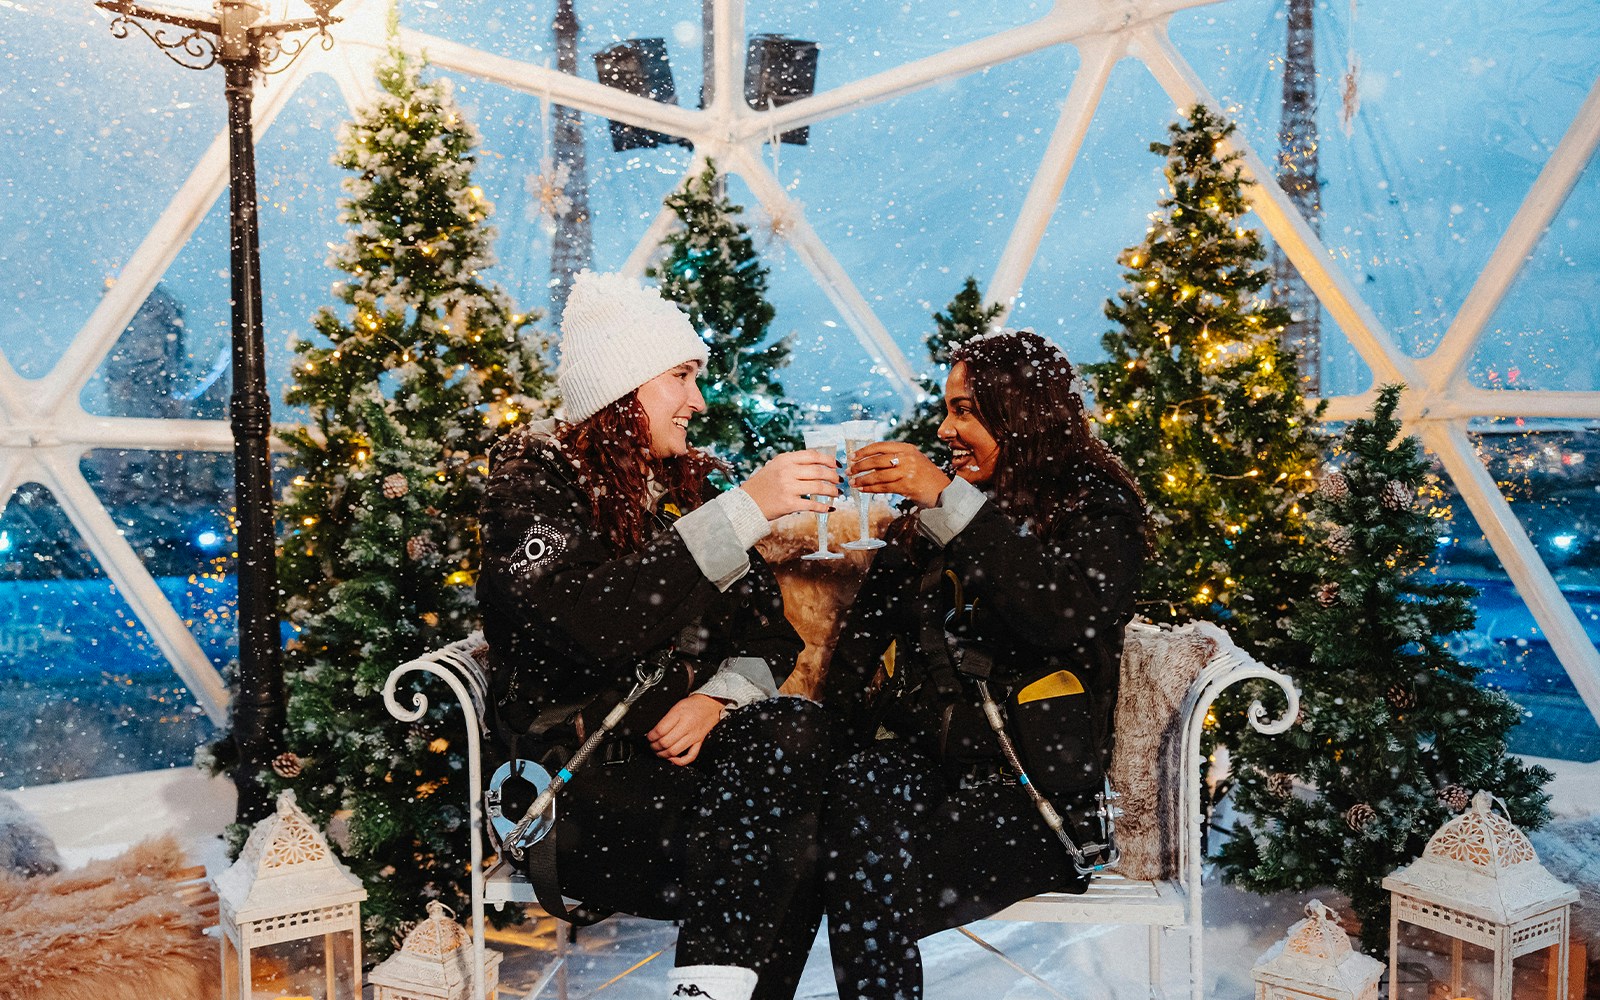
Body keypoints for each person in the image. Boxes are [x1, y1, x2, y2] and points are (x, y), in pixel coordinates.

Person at [477, 270, 839, 1000]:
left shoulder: (677, 484)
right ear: (625, 383)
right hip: (573, 791)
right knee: (795, 842)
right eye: (681, 375)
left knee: (799, 735)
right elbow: (585, 626)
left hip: (687, 778)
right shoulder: (535, 475)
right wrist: (742, 512)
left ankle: (707, 991)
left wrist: (714, 699)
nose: (698, 401)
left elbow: (770, 636)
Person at [821, 328, 1148, 1000]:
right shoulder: (940, 518)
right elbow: (860, 645)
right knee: (854, 808)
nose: (944, 429)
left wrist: (951, 503)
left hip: (1032, 793)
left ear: (1022, 413)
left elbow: (1064, 616)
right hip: (929, 770)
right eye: (947, 409)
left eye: (965, 410)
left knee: (866, 875)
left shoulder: (1093, 505)